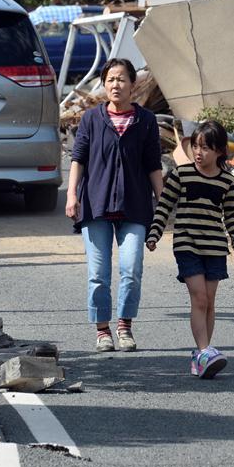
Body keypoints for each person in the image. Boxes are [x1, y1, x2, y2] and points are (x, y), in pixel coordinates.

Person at [66, 59, 163, 352]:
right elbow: (78, 159)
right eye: (110, 79)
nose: (116, 85)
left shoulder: (146, 120)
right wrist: (72, 195)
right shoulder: (91, 119)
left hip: (135, 205)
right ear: (104, 84)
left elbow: (153, 165)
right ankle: (102, 330)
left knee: (131, 268)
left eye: (121, 79)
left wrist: (164, 201)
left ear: (133, 84)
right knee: (98, 274)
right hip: (96, 205)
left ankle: (124, 326)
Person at [145, 119, 234, 379]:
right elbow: (165, 205)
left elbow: (233, 215)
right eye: (196, 147)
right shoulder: (182, 174)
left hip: (214, 247)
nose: (199, 153)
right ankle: (204, 351)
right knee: (199, 298)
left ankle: (202, 356)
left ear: (220, 151)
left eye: (206, 148)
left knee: (209, 302)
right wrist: (154, 233)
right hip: (187, 244)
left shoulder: (227, 182)